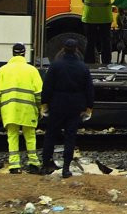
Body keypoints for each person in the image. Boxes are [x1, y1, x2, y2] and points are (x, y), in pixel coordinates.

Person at [39, 39, 94, 178]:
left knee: (51, 134)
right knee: (70, 136)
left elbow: (47, 87)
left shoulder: (55, 66)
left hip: (57, 104)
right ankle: (66, 169)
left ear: (63, 49)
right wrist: (89, 107)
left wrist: (44, 103)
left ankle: (46, 164)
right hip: (75, 106)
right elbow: (89, 89)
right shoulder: (83, 67)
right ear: (76, 49)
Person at [0, 43, 43, 174]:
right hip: (28, 109)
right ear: (24, 53)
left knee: (12, 136)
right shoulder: (32, 70)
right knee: (30, 137)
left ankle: (14, 165)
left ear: (13, 54)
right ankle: (33, 163)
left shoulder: (3, 70)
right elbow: (39, 94)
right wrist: (40, 109)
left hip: (9, 110)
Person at [75, 0, 119, 66]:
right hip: (105, 16)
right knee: (106, 40)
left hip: (90, 16)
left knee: (90, 41)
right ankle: (106, 63)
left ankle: (89, 63)